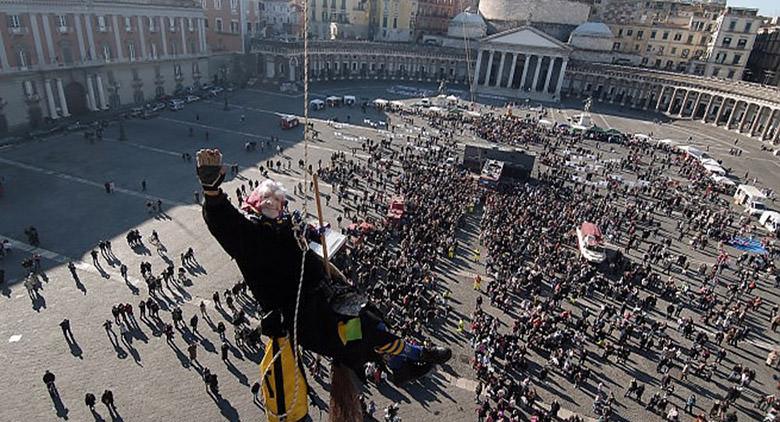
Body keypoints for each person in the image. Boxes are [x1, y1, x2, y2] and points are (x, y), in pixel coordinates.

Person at [196, 149, 451, 385]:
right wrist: (212, 190)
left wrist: (334, 271)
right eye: (267, 201)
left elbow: (311, 252)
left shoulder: (286, 228)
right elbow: (225, 224)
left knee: (371, 319)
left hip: (326, 297)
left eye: (277, 200)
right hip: (306, 316)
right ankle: (417, 353)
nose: (274, 204)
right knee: (359, 332)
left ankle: (399, 363)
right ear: (256, 206)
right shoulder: (253, 238)